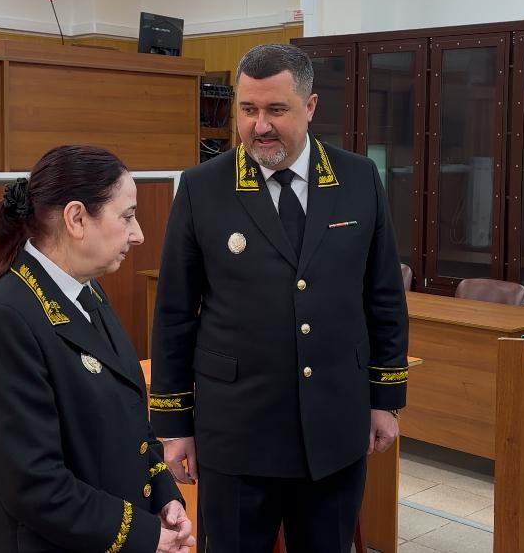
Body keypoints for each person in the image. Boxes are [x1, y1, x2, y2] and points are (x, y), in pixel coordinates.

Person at [149, 44, 409, 552]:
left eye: (276, 110)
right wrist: (175, 425)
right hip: (236, 433)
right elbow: (175, 314)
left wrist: (386, 399)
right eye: (247, 110)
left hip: (335, 427)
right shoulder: (203, 187)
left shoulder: (358, 179)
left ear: (310, 107)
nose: (259, 126)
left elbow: (383, 297)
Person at [0, 145, 196, 553]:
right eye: (127, 216)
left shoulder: (86, 292)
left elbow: (128, 422)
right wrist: (142, 535)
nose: (138, 234)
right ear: (76, 218)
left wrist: (163, 494)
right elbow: (33, 484)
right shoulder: (5, 320)